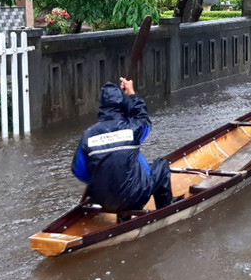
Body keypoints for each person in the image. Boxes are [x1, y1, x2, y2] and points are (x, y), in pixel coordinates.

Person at [71, 77, 176, 214]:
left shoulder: (88, 135)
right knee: (162, 166)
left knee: (125, 171)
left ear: (101, 106)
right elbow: (144, 120)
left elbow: (78, 171)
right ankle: (166, 209)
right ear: (123, 105)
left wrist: (101, 178)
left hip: (102, 201)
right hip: (134, 198)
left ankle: (120, 210)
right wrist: (132, 94)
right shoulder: (132, 129)